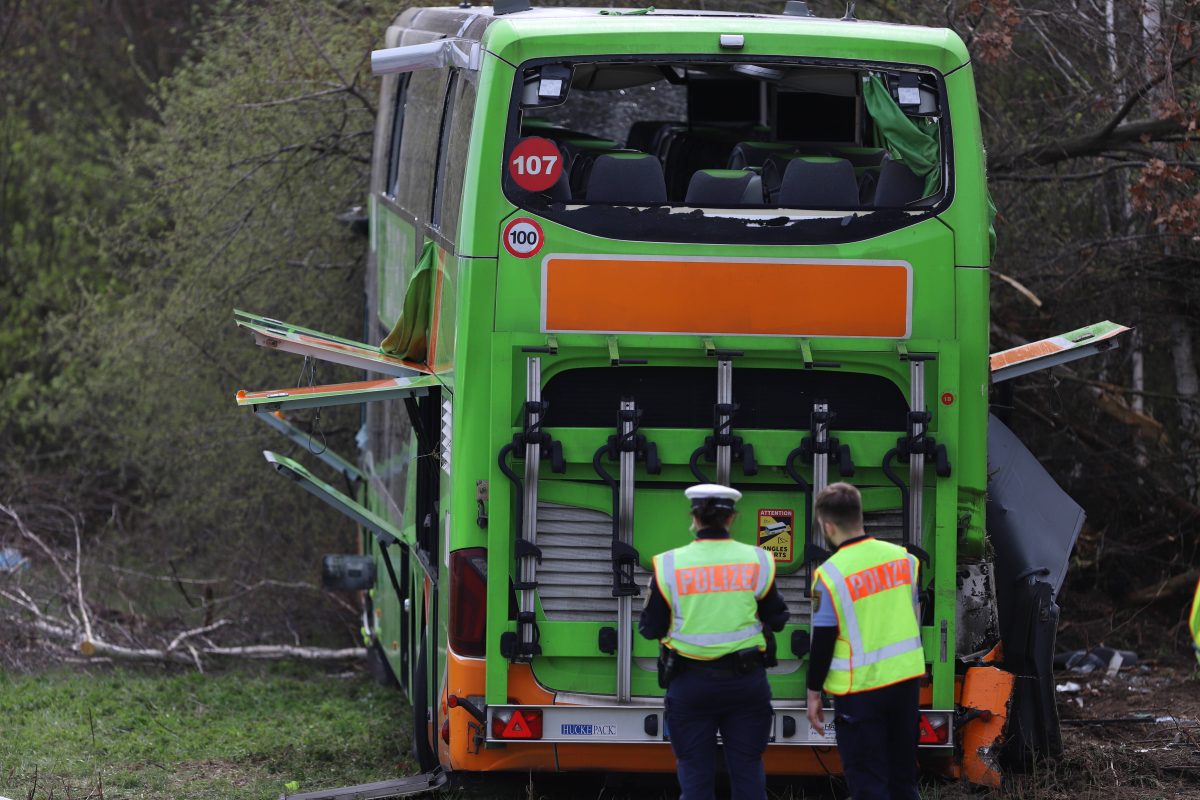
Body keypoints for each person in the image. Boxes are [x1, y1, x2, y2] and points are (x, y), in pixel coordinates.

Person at [639, 484, 790, 800]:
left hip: (689, 685)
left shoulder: (668, 564)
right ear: (732, 518)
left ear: (693, 517)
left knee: (695, 779)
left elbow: (650, 629)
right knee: (748, 773)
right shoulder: (758, 561)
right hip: (746, 684)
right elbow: (777, 618)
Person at [805, 482, 925, 800]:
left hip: (860, 692)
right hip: (904, 683)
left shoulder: (829, 576)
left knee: (868, 785)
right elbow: (912, 615)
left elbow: (824, 640)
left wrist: (813, 692)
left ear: (827, 525)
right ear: (859, 516)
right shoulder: (904, 560)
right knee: (903, 780)